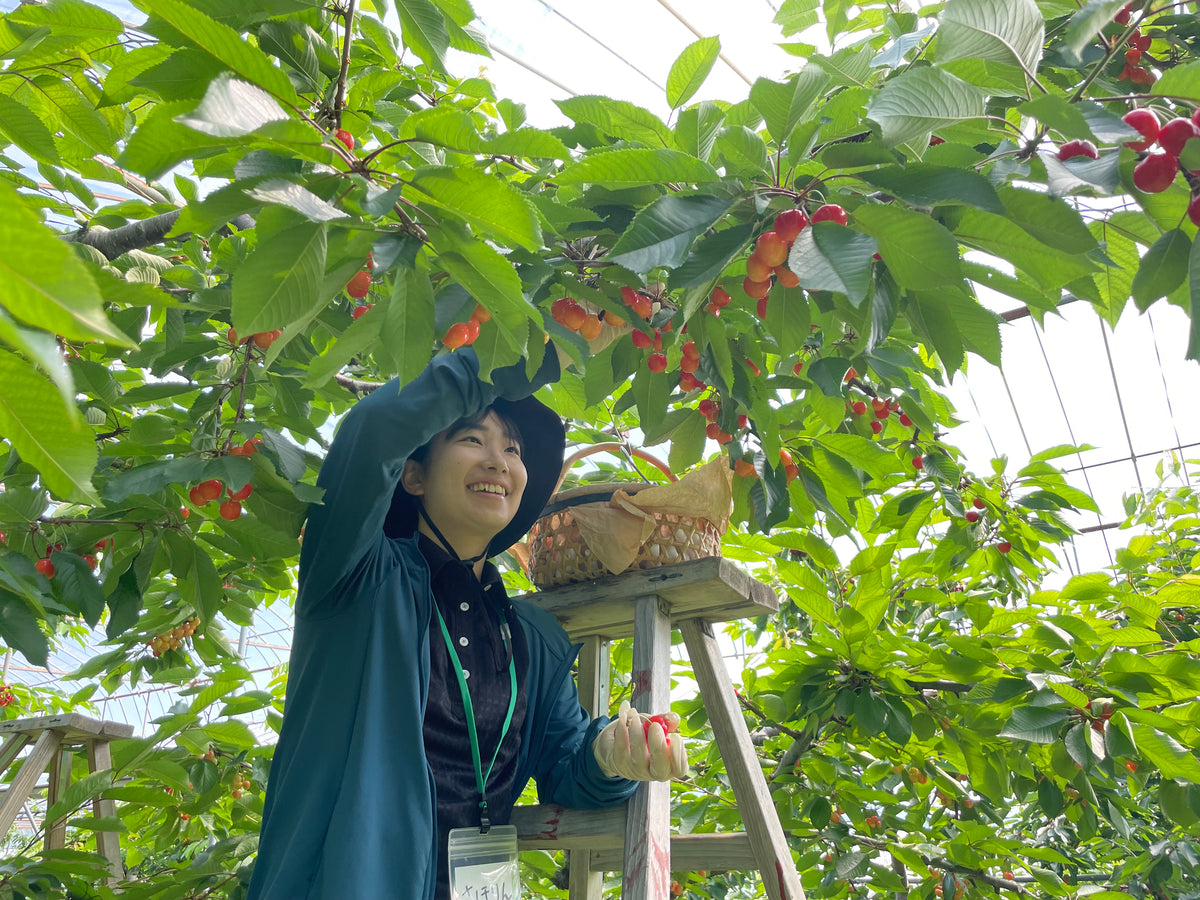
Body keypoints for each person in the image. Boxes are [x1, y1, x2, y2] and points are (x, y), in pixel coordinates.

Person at [246, 346, 687, 900]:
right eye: (472, 439)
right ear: (412, 475)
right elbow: (374, 429)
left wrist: (611, 754)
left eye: (513, 448)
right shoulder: (358, 579)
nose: (499, 461)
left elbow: (565, 770)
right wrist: (547, 342)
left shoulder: (531, 637)